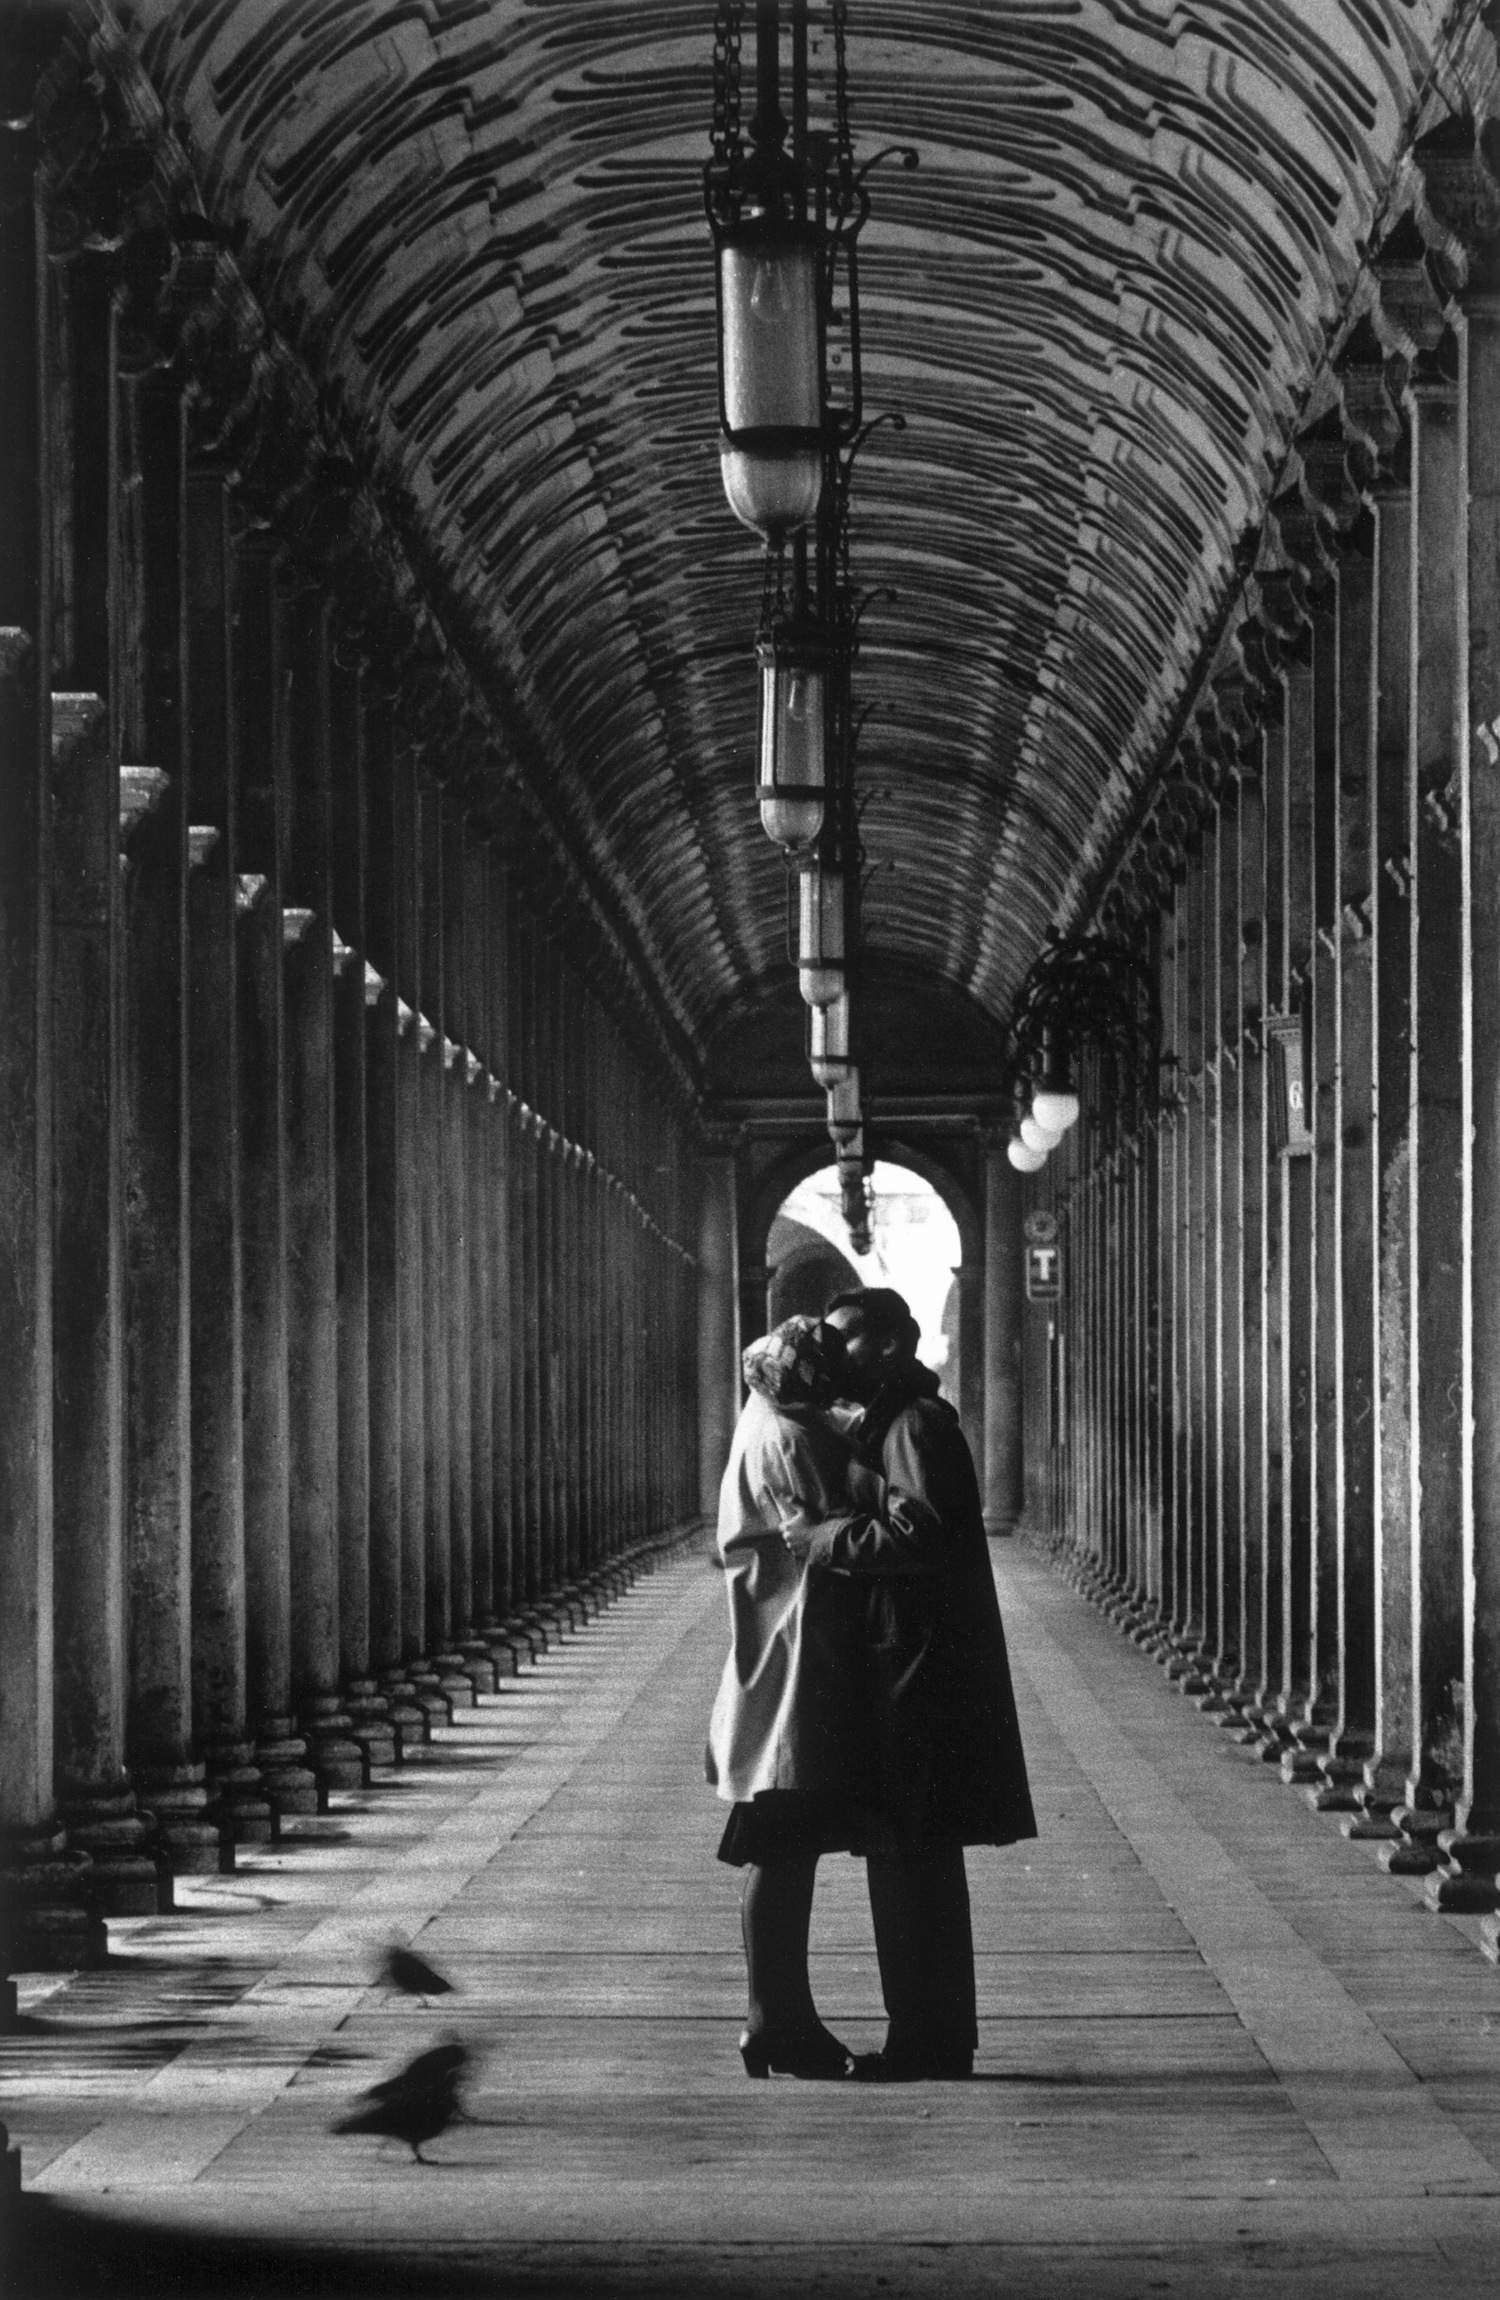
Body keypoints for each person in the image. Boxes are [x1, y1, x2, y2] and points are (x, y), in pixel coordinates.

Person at [821, 1285, 1037, 2081]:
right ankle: (931, 2034)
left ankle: (926, 2040)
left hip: (916, 1665)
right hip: (913, 1656)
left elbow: (920, 1535)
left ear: (888, 1344)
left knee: (910, 1856)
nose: (828, 1352)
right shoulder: (904, 1418)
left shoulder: (913, 1423)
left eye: (843, 1338)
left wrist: (823, 1537)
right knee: (914, 1858)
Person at [705, 1314, 883, 2080]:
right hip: (794, 1660)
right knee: (783, 1848)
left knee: (780, 1847)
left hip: (775, 1658)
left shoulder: (764, 1418)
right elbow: (841, 1527)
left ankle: (776, 2017)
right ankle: (775, 2020)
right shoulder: (792, 1439)